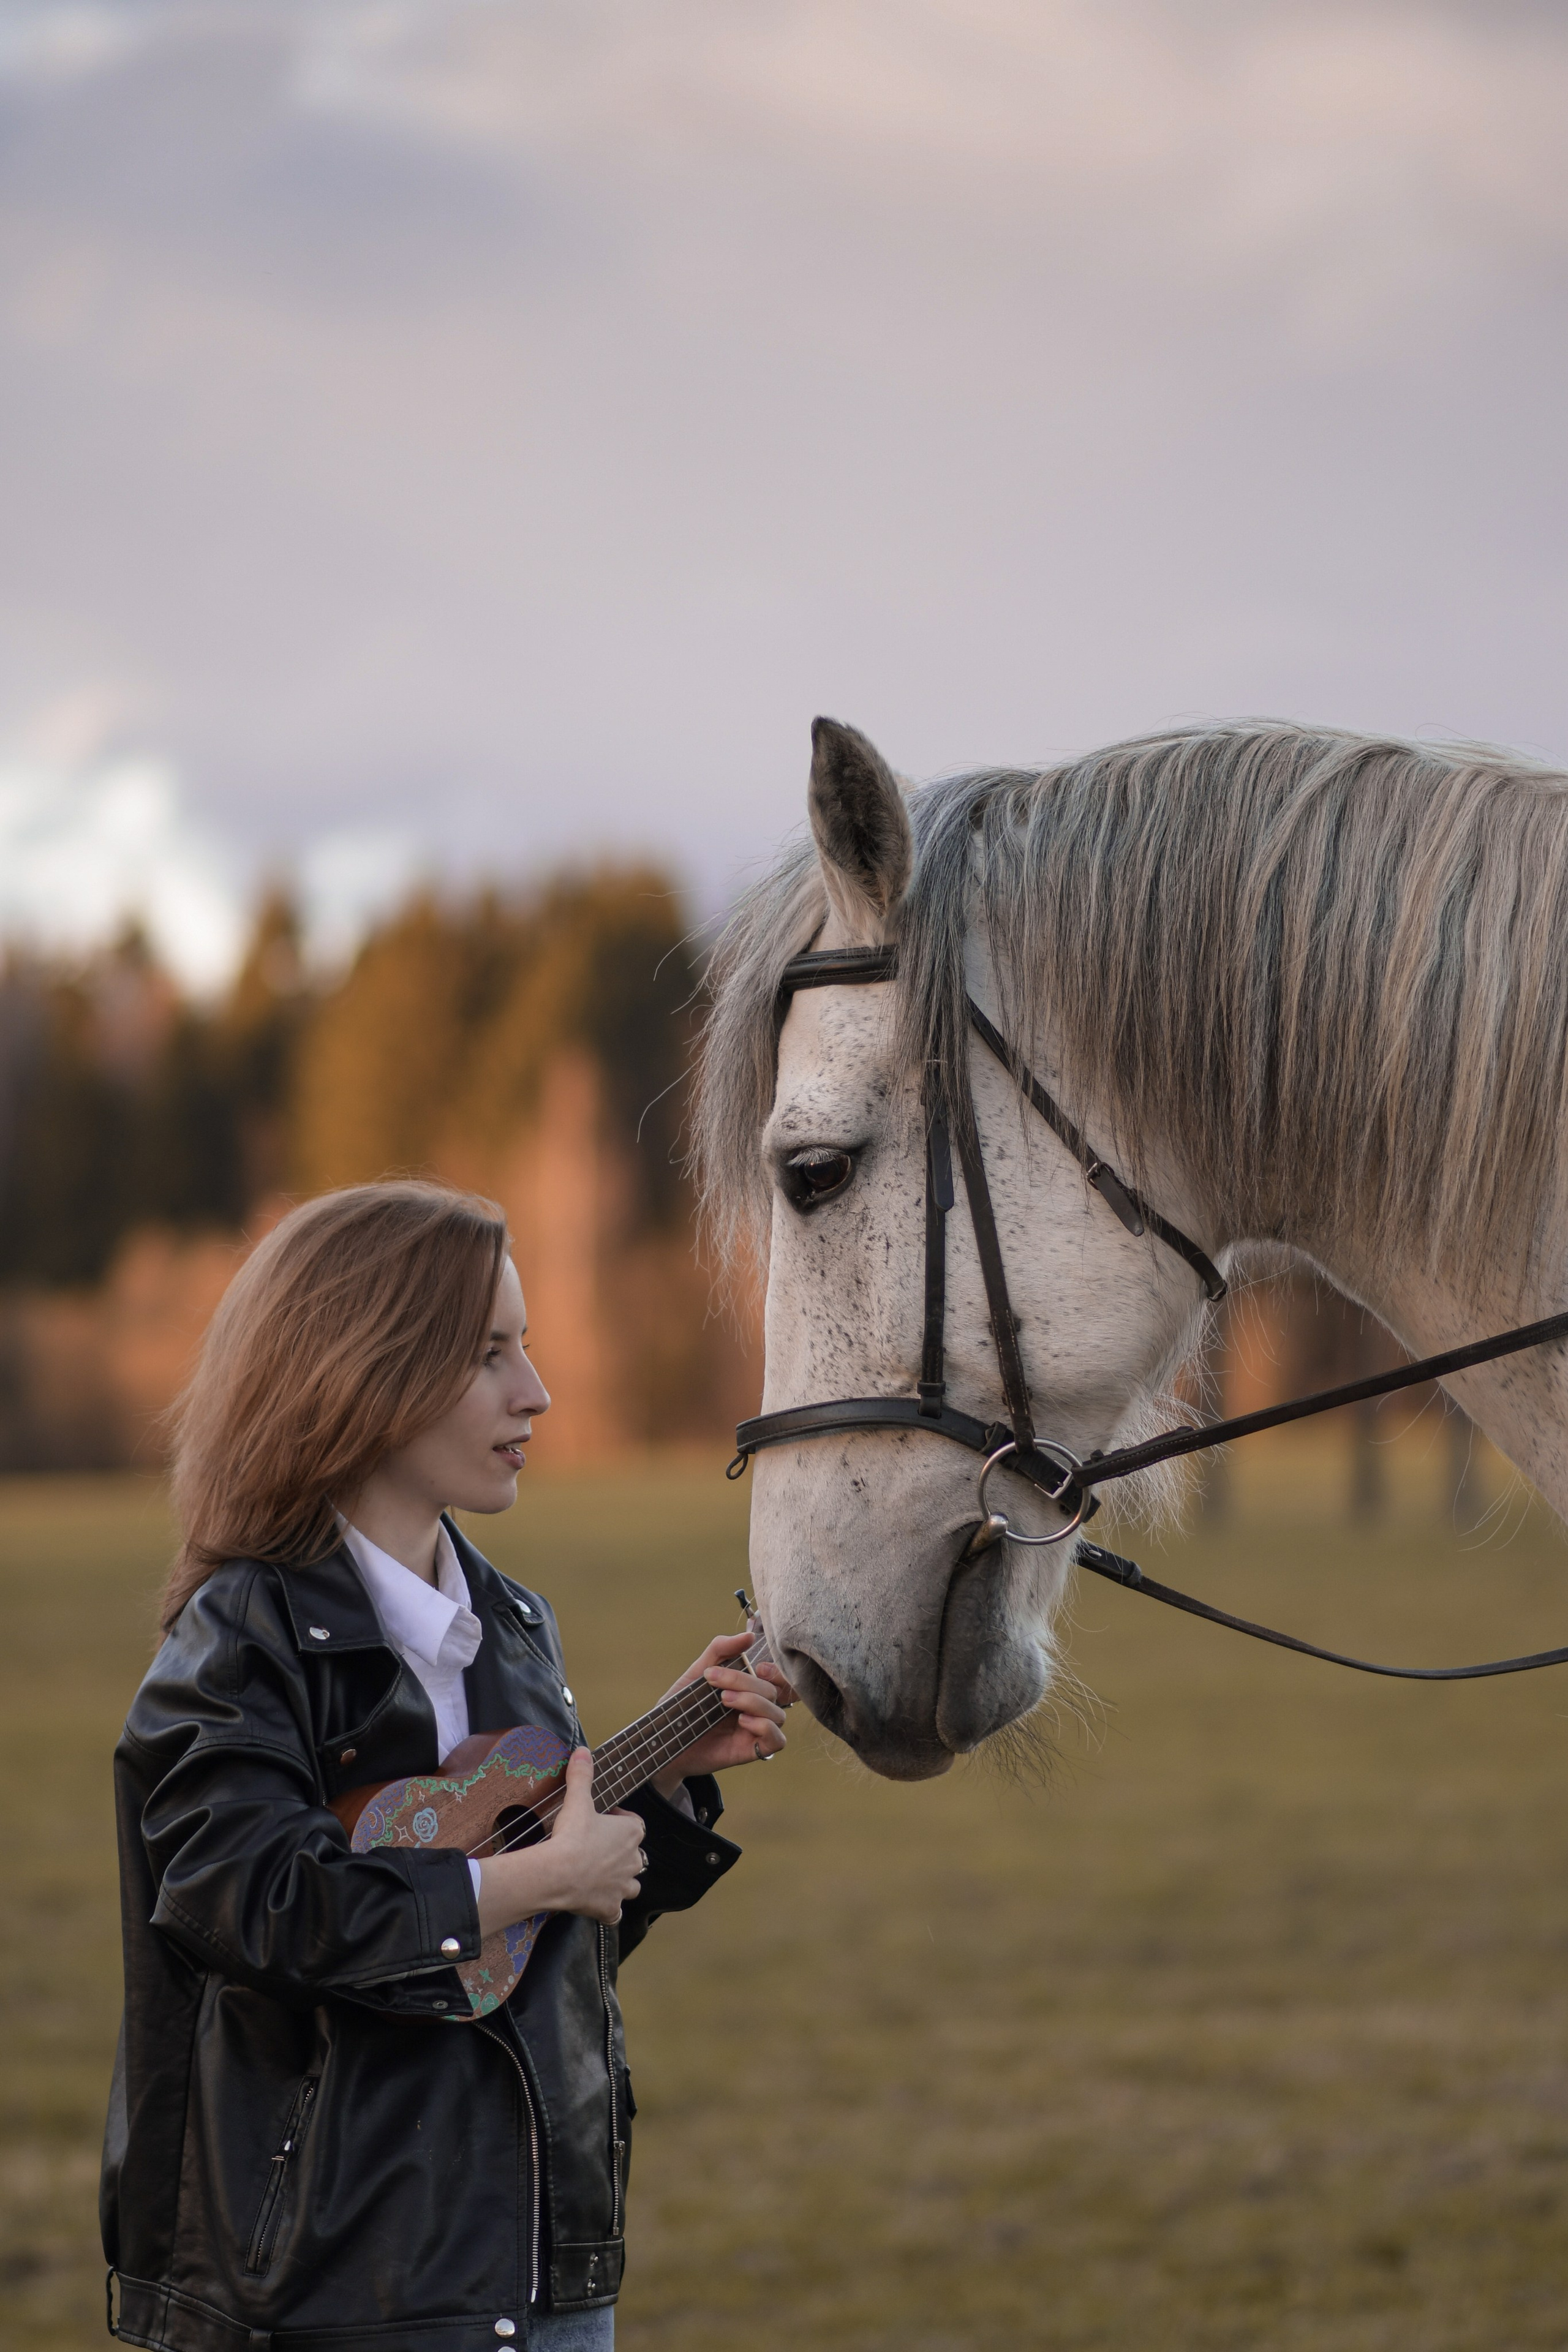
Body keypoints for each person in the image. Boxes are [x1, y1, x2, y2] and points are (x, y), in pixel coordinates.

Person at [102, 1180, 790, 2352]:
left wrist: (665, 1777)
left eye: (525, 1346)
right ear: (364, 1376)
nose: (538, 1392)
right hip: (331, 2291)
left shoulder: (514, 1627)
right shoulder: (241, 1639)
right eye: (488, 1355)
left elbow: (520, 1955)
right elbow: (254, 1902)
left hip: (541, 2271)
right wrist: (536, 1878)